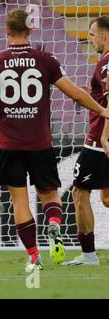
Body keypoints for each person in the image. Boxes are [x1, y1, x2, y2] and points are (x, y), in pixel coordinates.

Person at [0, 10, 109, 272]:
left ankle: (34, 257)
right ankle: (53, 222)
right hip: (40, 143)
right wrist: (102, 110)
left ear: (6, 32)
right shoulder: (46, 60)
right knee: (50, 194)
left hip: (9, 144)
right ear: (31, 31)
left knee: (19, 201)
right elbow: (75, 94)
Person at [63, 16, 109, 266]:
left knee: (79, 192)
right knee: (107, 199)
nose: (89, 39)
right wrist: (95, 95)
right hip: (102, 137)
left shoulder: (106, 63)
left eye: (92, 34)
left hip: (100, 141)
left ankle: (89, 255)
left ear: (104, 35)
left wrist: (104, 135)